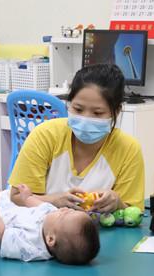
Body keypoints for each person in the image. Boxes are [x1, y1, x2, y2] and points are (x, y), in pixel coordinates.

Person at [8, 63, 145, 213]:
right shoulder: (46, 135)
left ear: (116, 111)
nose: (85, 119)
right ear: (69, 103)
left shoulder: (127, 149)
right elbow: (17, 196)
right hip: (40, 223)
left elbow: (133, 212)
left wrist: (118, 203)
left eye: (97, 113)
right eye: (78, 109)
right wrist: (55, 201)